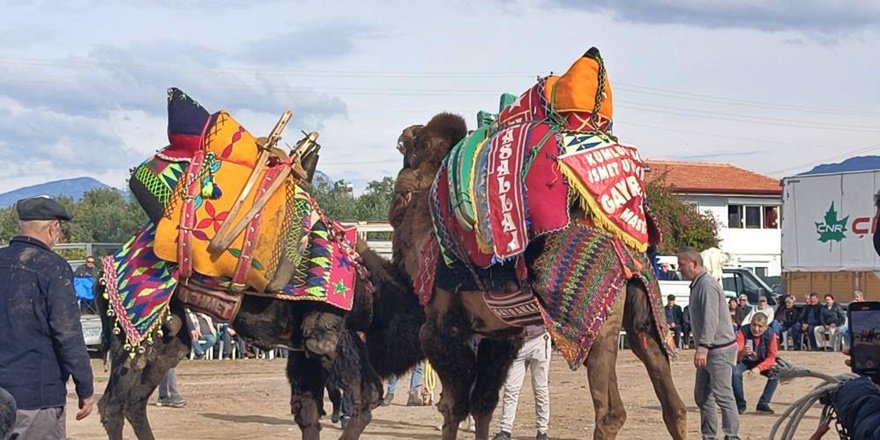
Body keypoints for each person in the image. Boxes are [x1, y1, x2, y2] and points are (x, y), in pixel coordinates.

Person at [0, 196, 96, 439]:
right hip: (35, 395)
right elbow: (67, 333)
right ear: (54, 227)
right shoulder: (54, 267)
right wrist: (85, 387)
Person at [678, 247, 740, 440]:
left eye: (682, 265)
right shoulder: (698, 285)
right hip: (710, 350)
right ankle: (708, 435)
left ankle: (731, 435)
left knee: (723, 395)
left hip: (718, 350)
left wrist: (703, 347)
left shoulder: (707, 286)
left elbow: (710, 319)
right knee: (703, 395)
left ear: (694, 264)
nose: (679, 269)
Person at [492, 324, 551, 440]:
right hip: (518, 340)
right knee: (511, 388)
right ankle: (505, 429)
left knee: (540, 389)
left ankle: (542, 431)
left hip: (539, 338)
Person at [732, 313, 778, 414]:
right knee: (734, 374)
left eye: (760, 326)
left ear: (766, 327)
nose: (756, 329)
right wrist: (742, 352)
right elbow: (736, 350)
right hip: (744, 360)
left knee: (776, 374)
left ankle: (763, 403)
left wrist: (759, 368)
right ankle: (740, 404)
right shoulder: (743, 331)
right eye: (754, 325)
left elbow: (772, 357)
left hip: (762, 360)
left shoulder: (771, 334)